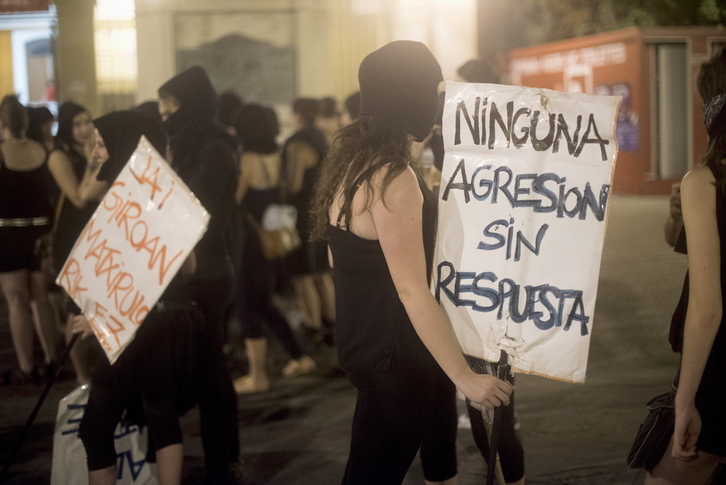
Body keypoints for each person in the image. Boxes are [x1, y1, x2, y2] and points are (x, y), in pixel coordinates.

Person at [310, 40, 513, 484]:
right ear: (408, 96)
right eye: (431, 89)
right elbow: (410, 288)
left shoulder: (353, 166)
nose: (437, 102)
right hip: (397, 358)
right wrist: (465, 377)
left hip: (366, 350)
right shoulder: (393, 175)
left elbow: (337, 256)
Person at [75, 109, 202, 485]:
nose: (95, 152)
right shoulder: (161, 190)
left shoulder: (121, 199)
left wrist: (96, 317)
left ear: (120, 144)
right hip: (164, 323)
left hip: (128, 328)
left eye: (101, 144)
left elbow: (120, 272)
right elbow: (190, 266)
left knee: (95, 429)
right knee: (161, 416)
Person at [645, 46, 726, 484]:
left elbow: (707, 308)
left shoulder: (707, 180)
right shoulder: (699, 187)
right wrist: (678, 215)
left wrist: (685, 400)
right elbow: (678, 241)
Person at [158, 65, 240, 484]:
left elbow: (199, 212)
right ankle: (224, 453)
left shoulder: (212, 147)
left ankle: (218, 460)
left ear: (188, 104)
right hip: (189, 267)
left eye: (169, 105)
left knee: (209, 366)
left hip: (206, 269)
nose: (164, 113)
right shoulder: (190, 143)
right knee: (209, 366)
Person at [231, 103, 316, 393]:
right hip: (270, 237)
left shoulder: (247, 160)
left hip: (250, 241)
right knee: (264, 302)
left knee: (247, 304)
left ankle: (258, 376)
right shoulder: (273, 157)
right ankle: (300, 356)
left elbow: (234, 200)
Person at [0, 95, 56, 384]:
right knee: (41, 298)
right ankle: (51, 358)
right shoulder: (41, 151)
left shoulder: (1, 153)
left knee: (16, 301)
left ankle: (26, 365)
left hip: (7, 234)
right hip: (40, 232)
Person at [47, 101, 103, 385]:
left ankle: (98, 369)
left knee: (97, 301)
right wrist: (93, 163)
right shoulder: (59, 156)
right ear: (66, 128)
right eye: (77, 124)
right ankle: (82, 375)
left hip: (96, 234)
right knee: (75, 306)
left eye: (88, 122)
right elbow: (79, 197)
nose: (84, 129)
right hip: (72, 238)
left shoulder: (93, 147)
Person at [282, 98, 336, 350]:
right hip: (323, 212)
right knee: (323, 273)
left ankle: (313, 325)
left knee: (303, 275)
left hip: (301, 214)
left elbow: (293, 185)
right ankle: (333, 325)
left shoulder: (296, 144)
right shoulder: (324, 140)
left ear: (297, 115)